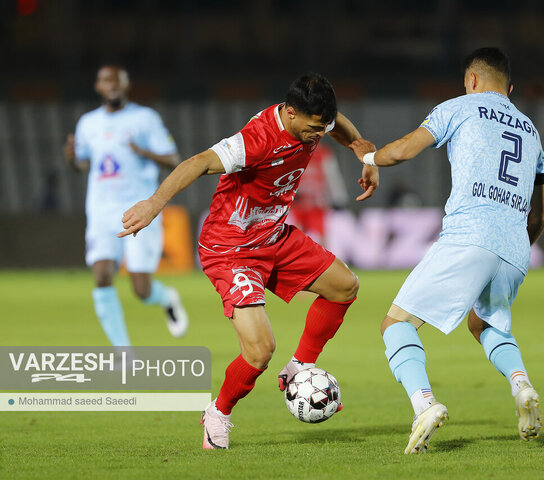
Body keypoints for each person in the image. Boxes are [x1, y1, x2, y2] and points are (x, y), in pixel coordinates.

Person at [118, 72, 379, 449]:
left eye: (322, 128)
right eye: (311, 128)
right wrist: (154, 204)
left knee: (344, 287)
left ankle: (300, 367)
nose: (317, 135)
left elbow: (337, 125)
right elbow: (196, 162)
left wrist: (362, 151)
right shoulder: (254, 141)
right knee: (260, 351)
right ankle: (218, 414)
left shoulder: (315, 121)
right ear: (289, 113)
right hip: (230, 249)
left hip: (272, 235)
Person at [349, 47, 544, 454]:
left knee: (395, 324)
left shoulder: (460, 107)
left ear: (472, 80)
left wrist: (368, 155)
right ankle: (521, 384)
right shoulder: (531, 130)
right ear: (508, 88)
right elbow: (543, 213)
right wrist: (513, 247)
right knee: (483, 324)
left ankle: (424, 404)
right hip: (514, 247)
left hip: (470, 235)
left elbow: (404, 150)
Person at [64, 65, 189, 346]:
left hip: (138, 208)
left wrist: (142, 151)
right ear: (98, 86)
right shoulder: (88, 122)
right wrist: (72, 159)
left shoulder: (144, 118)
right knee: (102, 276)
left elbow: (173, 158)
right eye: (106, 81)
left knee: (141, 289)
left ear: (126, 85)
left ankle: (166, 297)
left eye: (117, 81)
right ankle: (124, 354)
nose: (112, 86)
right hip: (100, 210)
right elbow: (83, 164)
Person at [285, 142, 348, 245]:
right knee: (296, 237)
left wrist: (338, 198)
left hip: (317, 203)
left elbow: (332, 177)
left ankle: (324, 259)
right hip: (297, 204)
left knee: (320, 237)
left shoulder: (323, 154)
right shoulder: (293, 152)